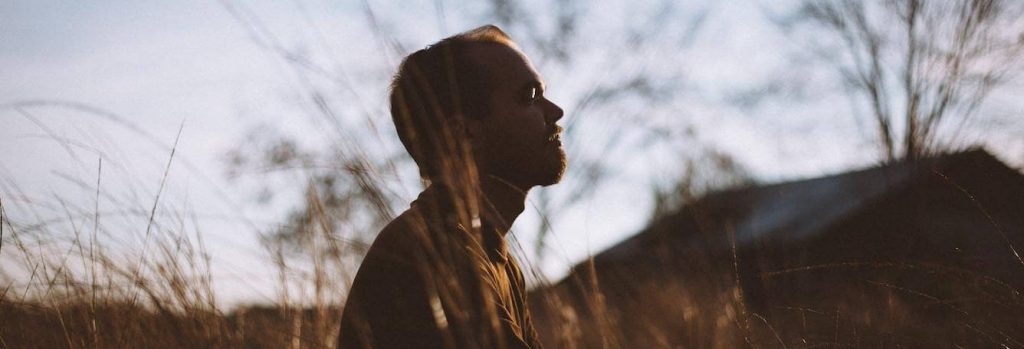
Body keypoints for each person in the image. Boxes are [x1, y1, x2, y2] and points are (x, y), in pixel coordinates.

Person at [338, 25, 565, 349]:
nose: (555, 112)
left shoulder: (498, 260)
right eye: (531, 96)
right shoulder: (435, 253)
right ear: (463, 134)